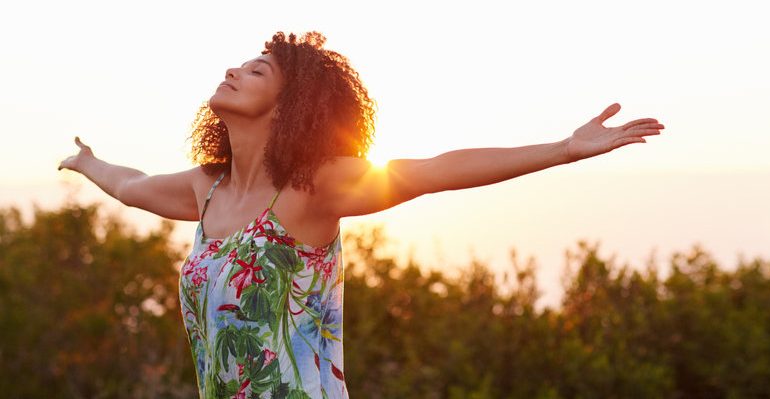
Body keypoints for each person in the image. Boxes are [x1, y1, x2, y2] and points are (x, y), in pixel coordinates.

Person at [57, 31, 665, 399]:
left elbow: (434, 170)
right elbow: (133, 186)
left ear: (289, 107)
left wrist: (562, 149)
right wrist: (89, 164)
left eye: (256, 70)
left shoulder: (314, 187)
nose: (233, 71)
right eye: (238, 65)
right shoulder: (205, 190)